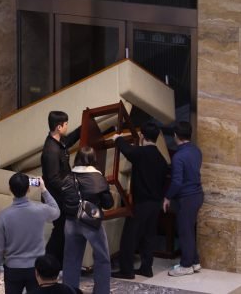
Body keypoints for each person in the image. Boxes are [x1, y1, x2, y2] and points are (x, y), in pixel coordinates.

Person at [111, 122, 168, 279]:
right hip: (155, 204)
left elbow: (127, 150)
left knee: (129, 237)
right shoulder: (161, 159)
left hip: (142, 203)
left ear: (142, 136)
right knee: (149, 236)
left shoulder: (142, 153)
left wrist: (118, 138)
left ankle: (127, 270)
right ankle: (146, 268)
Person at [0, 173, 60, 294]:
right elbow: (56, 211)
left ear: (10, 189)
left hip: (12, 268)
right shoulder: (40, 210)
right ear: (28, 189)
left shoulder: (3, 216)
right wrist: (43, 190)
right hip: (36, 268)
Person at [62, 147, 114, 294]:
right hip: (91, 223)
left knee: (71, 260)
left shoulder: (68, 176)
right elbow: (108, 203)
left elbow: (62, 198)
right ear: (93, 159)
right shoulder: (98, 177)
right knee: (102, 258)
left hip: (70, 222)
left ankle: (69, 291)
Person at [163, 121, 203, 277]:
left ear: (175, 136)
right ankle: (194, 261)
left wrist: (167, 197)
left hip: (187, 198)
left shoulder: (178, 156)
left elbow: (177, 182)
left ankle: (186, 265)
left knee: (185, 231)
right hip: (197, 195)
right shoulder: (196, 151)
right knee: (189, 230)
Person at [41, 111, 80, 267]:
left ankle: (58, 263)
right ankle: (49, 262)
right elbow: (53, 179)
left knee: (63, 229)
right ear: (59, 127)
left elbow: (69, 140)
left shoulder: (58, 141)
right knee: (60, 229)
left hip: (61, 196)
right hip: (56, 198)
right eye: (66, 124)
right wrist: (71, 188)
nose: (67, 126)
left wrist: (84, 126)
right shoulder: (51, 150)